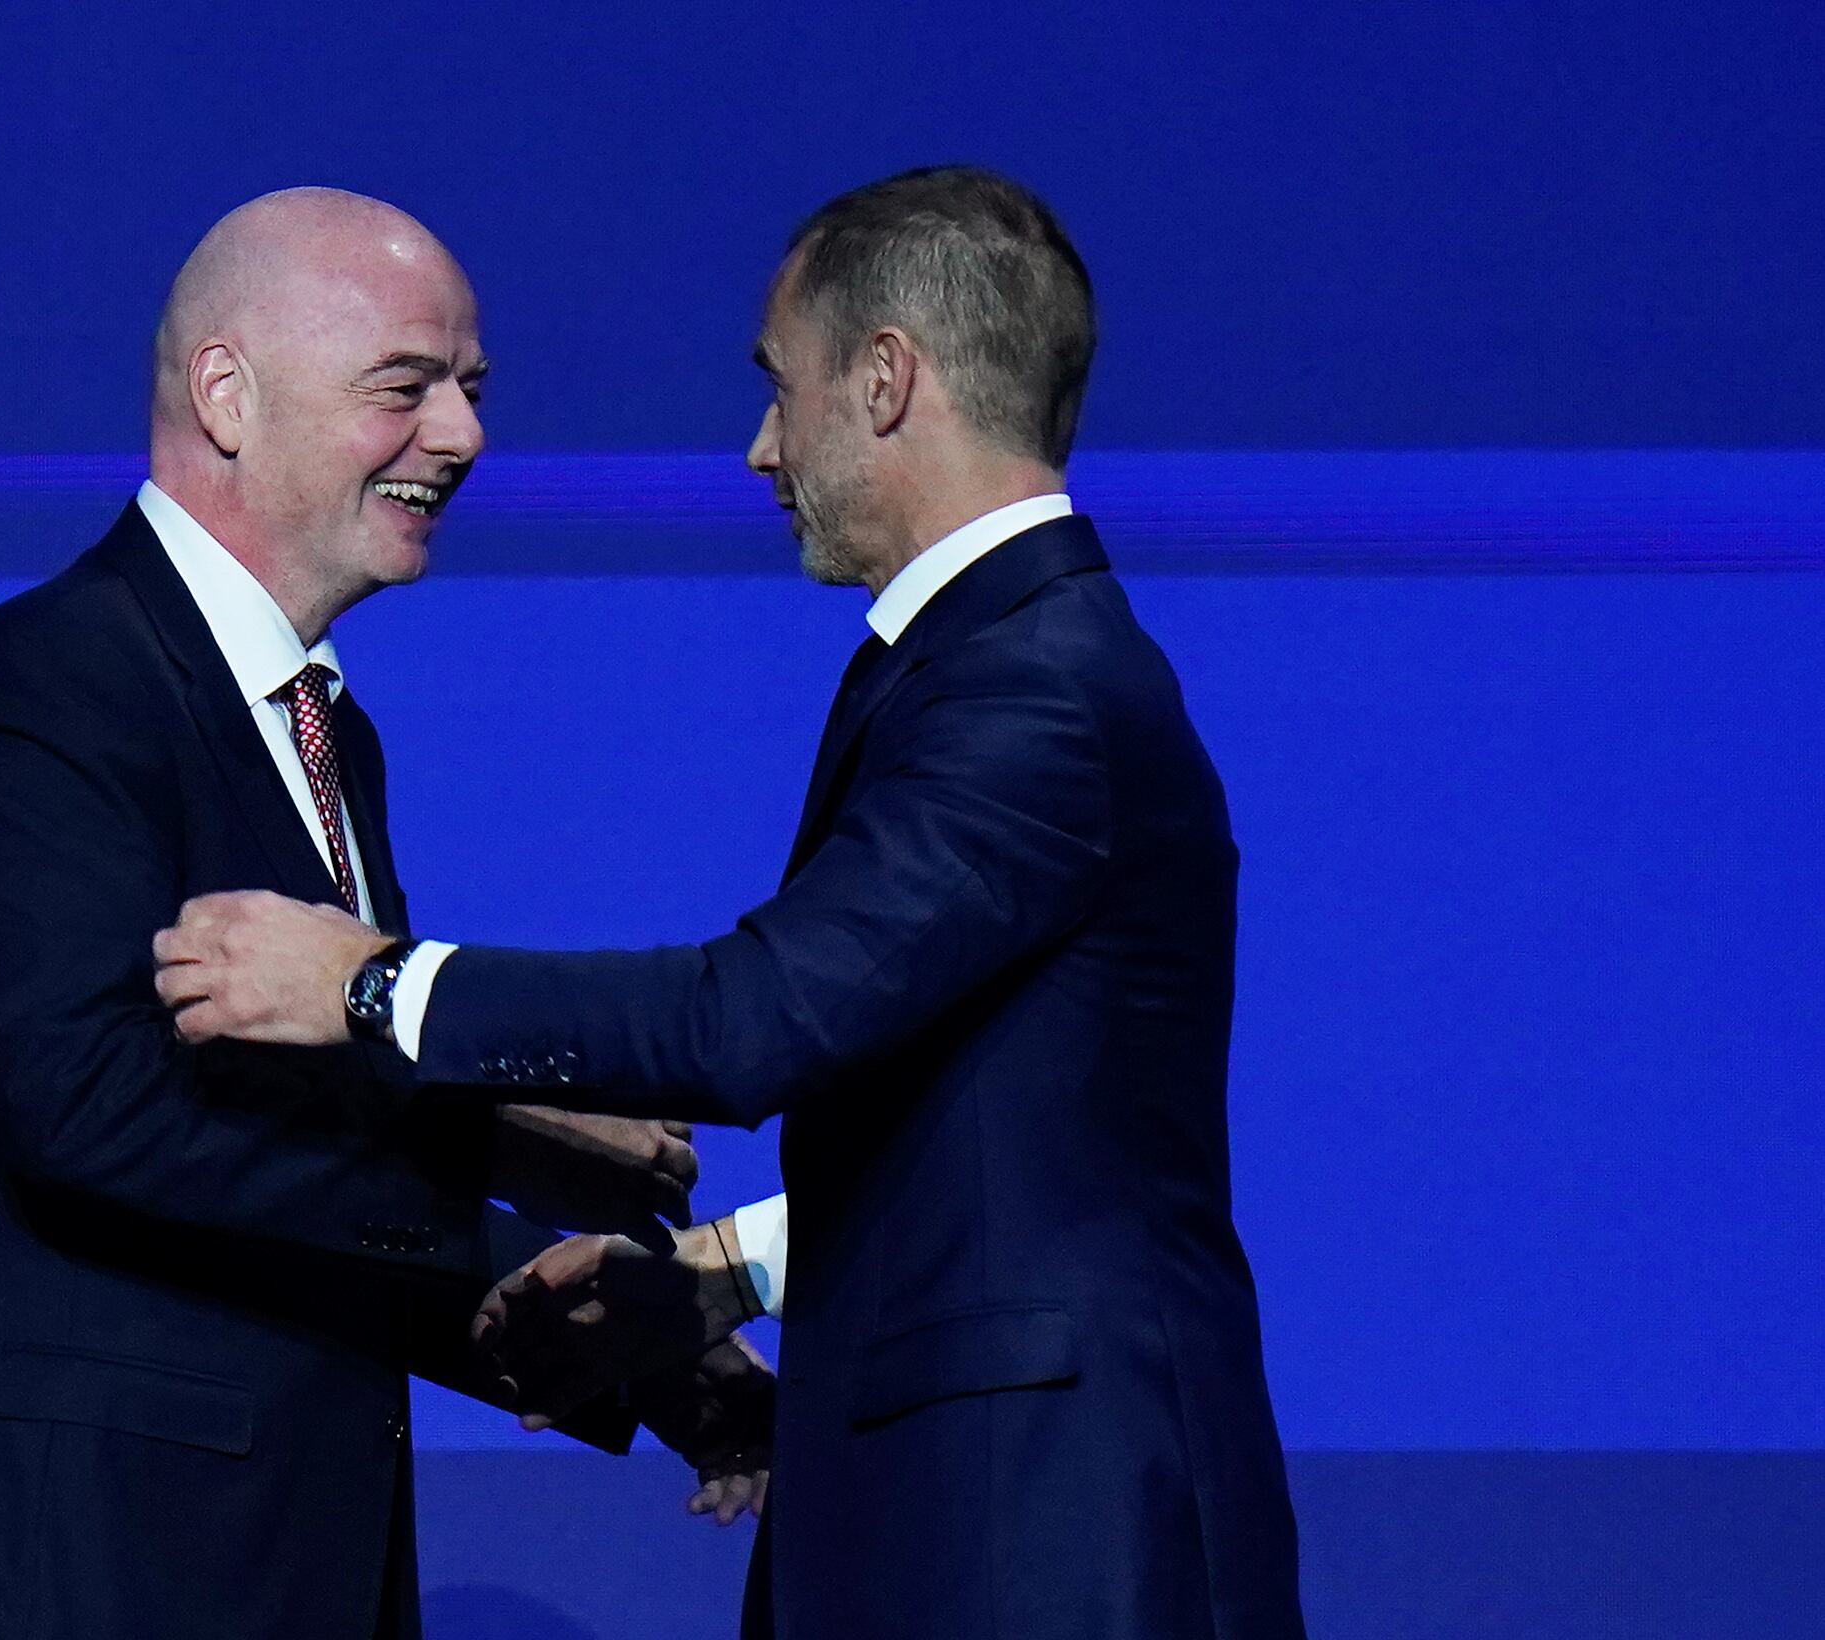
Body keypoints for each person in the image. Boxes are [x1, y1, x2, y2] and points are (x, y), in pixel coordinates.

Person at [154, 165, 1307, 1639]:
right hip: (977, 1514)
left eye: (783, 387)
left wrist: (376, 986)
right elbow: (1001, 1133)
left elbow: (761, 1017)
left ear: (886, 380)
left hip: (1040, 1536)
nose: (763, 449)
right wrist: (724, 1272)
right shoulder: (992, 666)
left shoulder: (1033, 688)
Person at [0, 187, 765, 1640]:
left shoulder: (322, 729)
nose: (463, 437)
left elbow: (281, 1152)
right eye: (405, 387)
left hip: (226, 1562)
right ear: (228, 393)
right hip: (37, 1569)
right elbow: (98, 1116)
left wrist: (638, 1350)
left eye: (471, 390)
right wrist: (507, 1232)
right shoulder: (56, 684)